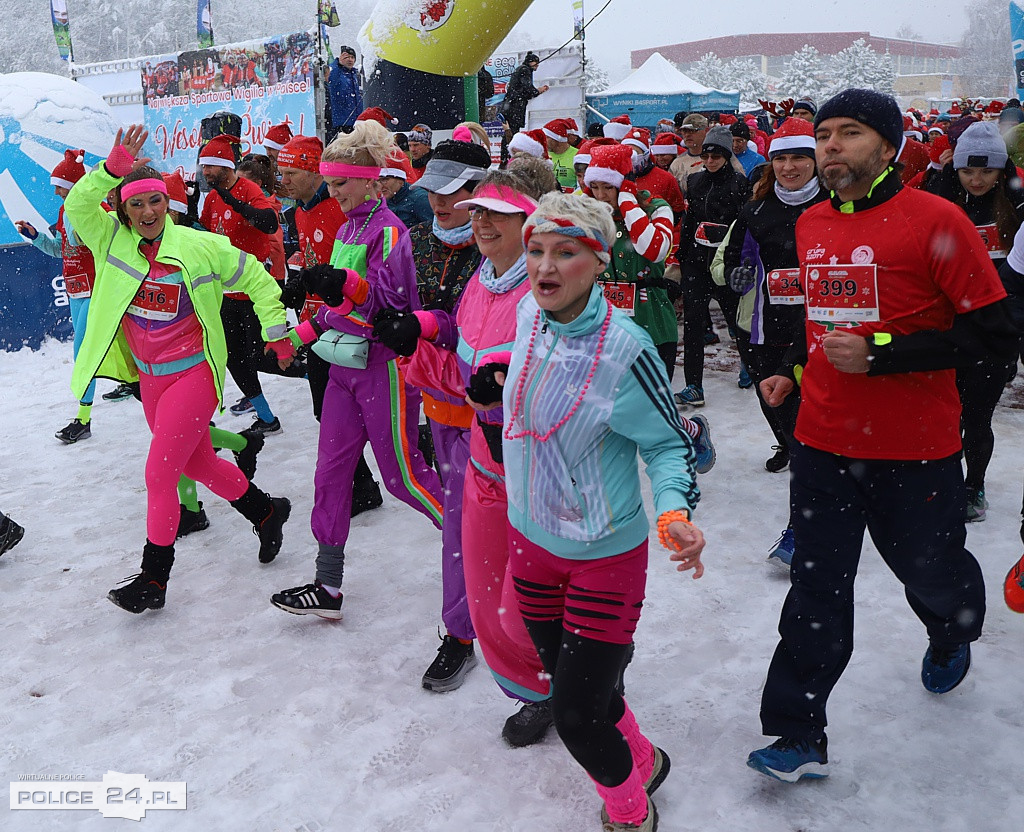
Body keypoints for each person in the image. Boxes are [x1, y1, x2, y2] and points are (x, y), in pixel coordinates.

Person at [747, 89, 1018, 782]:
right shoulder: (811, 225)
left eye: (851, 133)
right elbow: (826, 320)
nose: (831, 146)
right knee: (814, 592)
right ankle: (797, 730)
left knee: (932, 574)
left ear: (889, 147)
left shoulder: (938, 219)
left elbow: (993, 337)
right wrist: (792, 368)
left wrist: (885, 353)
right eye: (825, 134)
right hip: (823, 445)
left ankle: (951, 630)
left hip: (914, 451)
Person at [500, 192, 705, 831]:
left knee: (577, 713)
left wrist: (674, 515)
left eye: (565, 253)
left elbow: (670, 445)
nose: (544, 267)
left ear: (597, 261)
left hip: (604, 557)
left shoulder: (629, 349)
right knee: (585, 687)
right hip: (531, 543)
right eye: (535, 252)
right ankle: (644, 759)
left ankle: (627, 811)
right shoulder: (527, 319)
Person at [65, 125, 294, 614]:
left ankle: (154, 578)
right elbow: (78, 208)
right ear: (123, 211)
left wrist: (275, 327)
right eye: (136, 204)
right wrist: (107, 172)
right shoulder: (111, 244)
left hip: (193, 375)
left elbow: (255, 274)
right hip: (150, 380)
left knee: (158, 476)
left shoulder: (196, 246)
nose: (147, 213)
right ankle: (267, 511)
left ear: (166, 203)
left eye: (154, 202)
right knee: (199, 464)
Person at [395, 171, 555, 745]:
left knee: (533, 583)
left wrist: (497, 382)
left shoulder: (542, 287)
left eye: (495, 214)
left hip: (537, 463)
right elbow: (466, 353)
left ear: (526, 223)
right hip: (485, 452)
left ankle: (579, 680)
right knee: (489, 583)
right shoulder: (484, 280)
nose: (481, 222)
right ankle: (538, 686)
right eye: (477, 212)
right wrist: (424, 330)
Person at [270, 119, 443, 622]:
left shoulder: (389, 230)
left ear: (369, 179)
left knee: (404, 478)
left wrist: (340, 281)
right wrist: (301, 332)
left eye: (342, 181)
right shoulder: (349, 226)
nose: (335, 190)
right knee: (330, 474)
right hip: (341, 365)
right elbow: (340, 307)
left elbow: (388, 309)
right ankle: (328, 585)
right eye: (332, 181)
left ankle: (477, 549)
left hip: (383, 369)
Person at [374, 136, 490, 692]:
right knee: (459, 525)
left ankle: (531, 635)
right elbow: (384, 299)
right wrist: (342, 290)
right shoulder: (416, 238)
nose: (439, 205)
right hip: (441, 410)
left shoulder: (507, 247)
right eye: (435, 194)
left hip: (495, 414)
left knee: (510, 528)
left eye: (453, 195)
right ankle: (462, 632)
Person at [718, 117, 827, 565]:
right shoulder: (756, 209)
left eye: (799, 157)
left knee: (811, 432)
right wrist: (735, 275)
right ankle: (819, 502)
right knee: (784, 420)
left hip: (820, 334)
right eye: (781, 158)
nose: (790, 167)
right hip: (764, 333)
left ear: (815, 160)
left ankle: (805, 525)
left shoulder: (836, 204)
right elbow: (727, 261)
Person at [275, 134, 383, 517]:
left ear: (312, 172)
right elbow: (315, 253)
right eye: (281, 172)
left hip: (351, 324)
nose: (283, 180)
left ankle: (384, 473)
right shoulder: (300, 209)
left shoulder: (343, 208)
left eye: (290, 172)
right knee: (327, 409)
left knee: (359, 410)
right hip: (320, 324)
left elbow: (363, 263)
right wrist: (299, 280)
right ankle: (363, 486)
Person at [926, 120, 1023, 521]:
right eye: (968, 170)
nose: (977, 179)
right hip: (948, 328)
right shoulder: (940, 200)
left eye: (986, 171)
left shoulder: (1018, 207)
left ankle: (974, 483)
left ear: (1002, 170)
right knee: (944, 414)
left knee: (977, 416)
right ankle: (944, 480)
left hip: (995, 330)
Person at [17, 149, 105, 443]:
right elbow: (59, 250)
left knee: (84, 354)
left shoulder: (95, 211)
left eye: (59, 185)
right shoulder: (64, 211)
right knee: (87, 354)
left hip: (95, 290)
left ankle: (83, 418)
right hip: (76, 291)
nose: (54, 191)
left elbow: (109, 250)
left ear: (72, 186)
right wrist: (36, 236)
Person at [199, 134, 284, 433]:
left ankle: (317, 375)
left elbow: (269, 223)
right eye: (203, 166)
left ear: (225, 165)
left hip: (253, 290)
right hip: (226, 293)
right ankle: (267, 418)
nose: (205, 172)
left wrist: (235, 203)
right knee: (234, 360)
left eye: (210, 166)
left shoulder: (248, 189)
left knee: (265, 357)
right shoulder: (211, 197)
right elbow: (205, 235)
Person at [675, 125, 752, 407]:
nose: (710, 161)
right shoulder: (695, 181)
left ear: (727, 155)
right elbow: (689, 222)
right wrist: (682, 257)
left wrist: (736, 258)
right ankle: (694, 385)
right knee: (694, 325)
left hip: (724, 262)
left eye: (717, 155)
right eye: (707, 155)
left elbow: (743, 225)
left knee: (735, 321)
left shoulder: (739, 184)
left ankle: (748, 362)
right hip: (696, 261)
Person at [500, 52, 548, 162]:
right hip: (515, 107)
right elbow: (528, 89)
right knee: (512, 133)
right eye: (536, 63)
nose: (537, 66)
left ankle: (505, 159)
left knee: (509, 132)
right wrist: (538, 91)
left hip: (510, 106)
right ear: (531, 62)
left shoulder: (521, 69)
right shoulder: (525, 70)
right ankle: (509, 158)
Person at [379, 146, 432, 229]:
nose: (380, 185)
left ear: (400, 180)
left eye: (385, 180)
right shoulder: (383, 200)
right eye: (378, 181)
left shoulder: (419, 199)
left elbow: (436, 232)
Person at [327, 46, 362, 142]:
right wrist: (338, 63)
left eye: (352, 57)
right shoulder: (337, 72)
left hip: (356, 123)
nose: (350, 60)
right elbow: (332, 76)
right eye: (347, 57)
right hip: (341, 123)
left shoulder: (355, 74)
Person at [542, 118, 578, 191]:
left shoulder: (577, 155)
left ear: (557, 139)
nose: (544, 140)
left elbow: (582, 186)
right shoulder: (543, 155)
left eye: (547, 137)